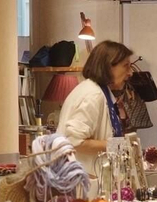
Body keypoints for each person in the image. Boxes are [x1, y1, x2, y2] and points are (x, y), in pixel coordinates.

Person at [56, 40, 136, 175]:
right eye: (126, 66)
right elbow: (75, 141)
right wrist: (118, 145)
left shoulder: (99, 92)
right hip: (82, 179)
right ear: (108, 67)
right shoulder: (93, 94)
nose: (130, 73)